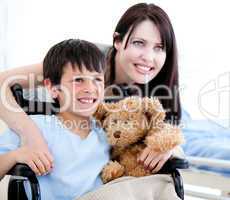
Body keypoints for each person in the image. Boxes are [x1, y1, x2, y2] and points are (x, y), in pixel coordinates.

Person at [0, 3, 181, 176]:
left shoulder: (157, 88)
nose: (148, 57)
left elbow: (172, 132)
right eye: (139, 43)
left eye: (159, 47)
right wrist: (31, 135)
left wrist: (168, 146)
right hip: (46, 139)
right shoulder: (86, 61)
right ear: (117, 40)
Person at [0, 39, 110, 199]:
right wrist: (15, 156)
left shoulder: (108, 132)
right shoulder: (37, 127)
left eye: (97, 79)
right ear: (52, 88)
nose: (90, 88)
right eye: (78, 80)